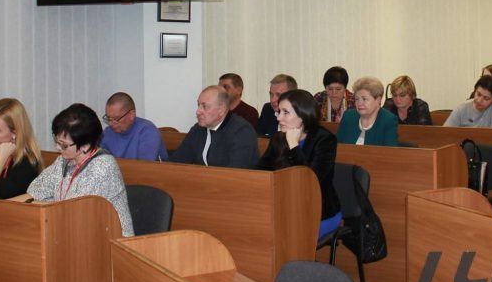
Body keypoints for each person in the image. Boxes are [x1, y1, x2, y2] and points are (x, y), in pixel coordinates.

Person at [12, 103, 134, 237]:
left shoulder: (103, 167)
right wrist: (4, 207)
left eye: (64, 145)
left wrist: (35, 204)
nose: (57, 148)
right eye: (56, 140)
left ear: (85, 146)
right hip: (71, 234)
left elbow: (72, 213)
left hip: (110, 241)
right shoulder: (64, 160)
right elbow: (34, 193)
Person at [256, 89, 342, 239]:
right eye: (279, 112)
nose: (279, 118)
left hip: (318, 211)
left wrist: (294, 146)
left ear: (303, 115)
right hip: (285, 207)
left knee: (286, 237)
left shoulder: (325, 140)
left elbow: (310, 182)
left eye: (285, 112)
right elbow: (261, 169)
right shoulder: (278, 138)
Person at [170, 86, 259, 168]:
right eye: (198, 105)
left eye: (204, 106)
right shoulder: (198, 129)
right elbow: (177, 162)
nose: (198, 111)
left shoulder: (242, 131)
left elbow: (235, 173)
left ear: (221, 110)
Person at [100, 92, 167, 161]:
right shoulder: (108, 132)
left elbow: (144, 166)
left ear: (131, 114)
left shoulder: (148, 132)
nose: (111, 123)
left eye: (116, 119)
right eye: (108, 118)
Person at [336, 77, 399, 146]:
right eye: (357, 99)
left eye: (364, 99)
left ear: (378, 100)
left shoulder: (388, 120)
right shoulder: (348, 116)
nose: (359, 103)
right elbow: (337, 146)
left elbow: (389, 151)